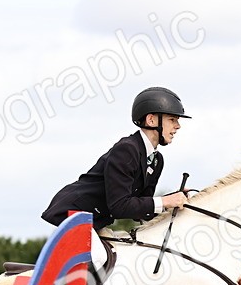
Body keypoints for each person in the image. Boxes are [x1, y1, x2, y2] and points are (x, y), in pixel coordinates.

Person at [41, 86, 190, 231]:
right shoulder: (127, 149)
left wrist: (173, 199)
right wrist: (165, 201)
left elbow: (143, 209)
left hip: (95, 220)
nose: (178, 126)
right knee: (102, 256)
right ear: (151, 120)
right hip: (74, 214)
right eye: (172, 119)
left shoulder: (156, 160)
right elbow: (120, 207)